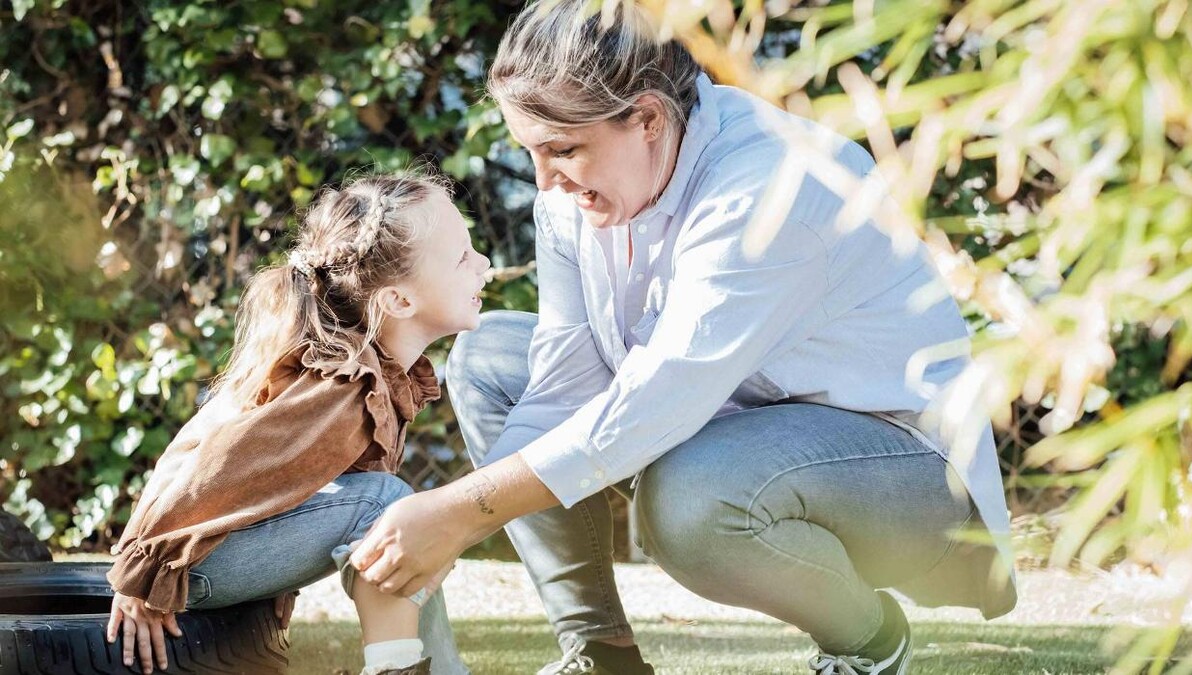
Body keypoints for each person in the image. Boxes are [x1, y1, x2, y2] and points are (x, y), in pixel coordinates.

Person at [346, 3, 1018, 674]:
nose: (544, 181)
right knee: (493, 358)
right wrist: (450, 530)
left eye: (564, 150)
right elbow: (563, 385)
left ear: (648, 118)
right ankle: (603, 655)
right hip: (729, 434)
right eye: (532, 151)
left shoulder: (767, 187)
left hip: (912, 483)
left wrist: (458, 513)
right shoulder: (577, 195)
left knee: (688, 495)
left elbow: (657, 403)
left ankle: (871, 642)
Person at [105, 173, 490, 675]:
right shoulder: (339, 388)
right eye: (462, 257)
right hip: (187, 569)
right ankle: (394, 668)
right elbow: (209, 460)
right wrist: (142, 571)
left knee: (405, 524)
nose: (483, 264)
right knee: (387, 505)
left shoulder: (370, 375)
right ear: (398, 301)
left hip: (206, 559)